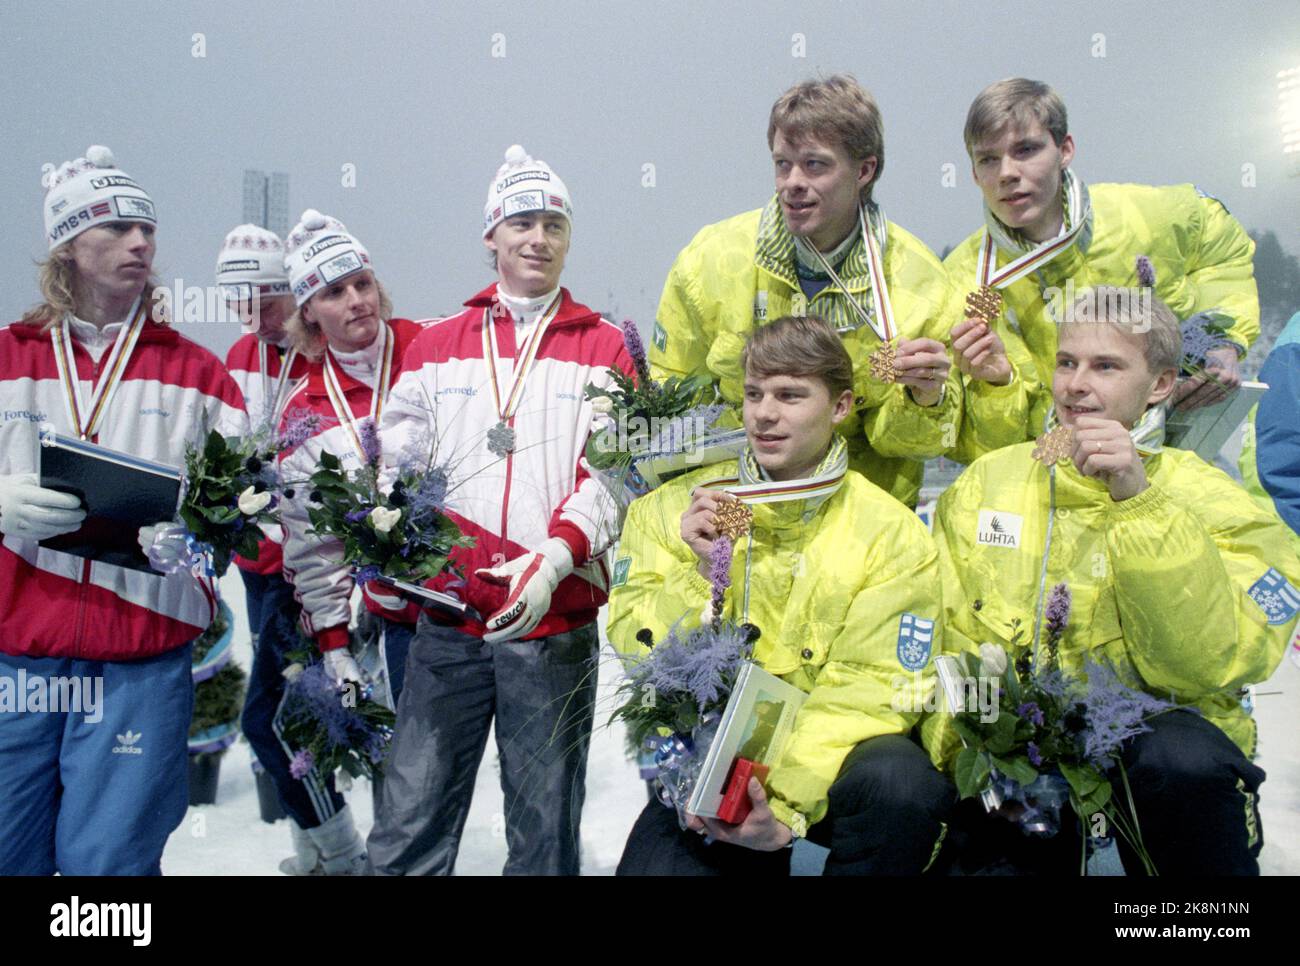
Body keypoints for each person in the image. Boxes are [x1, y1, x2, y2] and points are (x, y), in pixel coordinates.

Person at [927, 288, 1297, 875]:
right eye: (1066, 362)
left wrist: (1137, 501)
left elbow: (1204, 666)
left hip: (1154, 749)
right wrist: (974, 743)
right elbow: (943, 639)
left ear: (1160, 384)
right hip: (1020, 754)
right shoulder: (988, 483)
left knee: (1182, 763)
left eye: (1105, 366)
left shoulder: (1217, 502)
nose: (1076, 384)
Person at [367, 145, 634, 875]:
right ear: (491, 234)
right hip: (448, 620)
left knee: (544, 835)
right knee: (409, 820)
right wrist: (393, 545)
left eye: (554, 224)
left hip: (554, 618)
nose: (538, 238)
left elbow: (615, 473)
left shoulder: (606, 346)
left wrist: (553, 560)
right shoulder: (435, 344)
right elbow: (399, 465)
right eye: (521, 222)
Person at [610, 315, 952, 875]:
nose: (764, 413)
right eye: (754, 394)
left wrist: (784, 804)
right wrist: (703, 576)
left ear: (840, 407)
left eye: (790, 395)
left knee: (901, 785)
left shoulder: (889, 531)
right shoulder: (672, 510)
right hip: (713, 758)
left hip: (830, 757)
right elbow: (636, 647)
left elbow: (871, 686)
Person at [0, 146, 245, 874]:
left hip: (139, 661)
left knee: (109, 873)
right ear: (67, 246)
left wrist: (197, 539)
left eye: (148, 229)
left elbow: (245, 520)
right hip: (17, 658)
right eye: (116, 228)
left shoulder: (199, 374)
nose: (141, 243)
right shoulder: (8, 359)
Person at [650, 75, 961, 509]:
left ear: (864, 170)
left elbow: (920, 445)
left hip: (862, 524)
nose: (792, 182)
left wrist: (923, 399)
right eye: (783, 164)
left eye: (815, 165)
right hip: (736, 511)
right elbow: (666, 404)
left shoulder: (921, 283)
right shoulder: (710, 260)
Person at [946, 77, 1260, 463]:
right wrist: (1000, 385)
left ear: (1065, 149)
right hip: (1059, 465)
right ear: (974, 174)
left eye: (1025, 150)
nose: (1007, 173)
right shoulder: (964, 280)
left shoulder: (1143, 215)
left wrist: (1217, 338)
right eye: (988, 159)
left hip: (1177, 453)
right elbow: (982, 446)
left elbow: (1221, 243)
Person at [274, 209, 423, 874]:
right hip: (393, 620)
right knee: (406, 779)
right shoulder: (302, 414)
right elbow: (313, 547)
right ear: (309, 312)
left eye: (362, 282)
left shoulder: (431, 349)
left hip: (478, 598)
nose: (357, 299)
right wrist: (334, 645)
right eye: (334, 292)